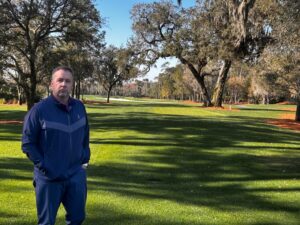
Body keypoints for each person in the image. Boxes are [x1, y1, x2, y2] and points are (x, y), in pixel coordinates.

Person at [22, 66, 90, 225]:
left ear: (72, 84)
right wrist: (44, 166)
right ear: (51, 84)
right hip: (49, 178)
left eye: (68, 81)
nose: (64, 84)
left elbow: (85, 135)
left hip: (76, 176)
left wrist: (84, 158)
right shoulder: (38, 110)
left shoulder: (79, 107)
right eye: (60, 80)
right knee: (46, 222)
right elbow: (28, 143)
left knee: (77, 218)